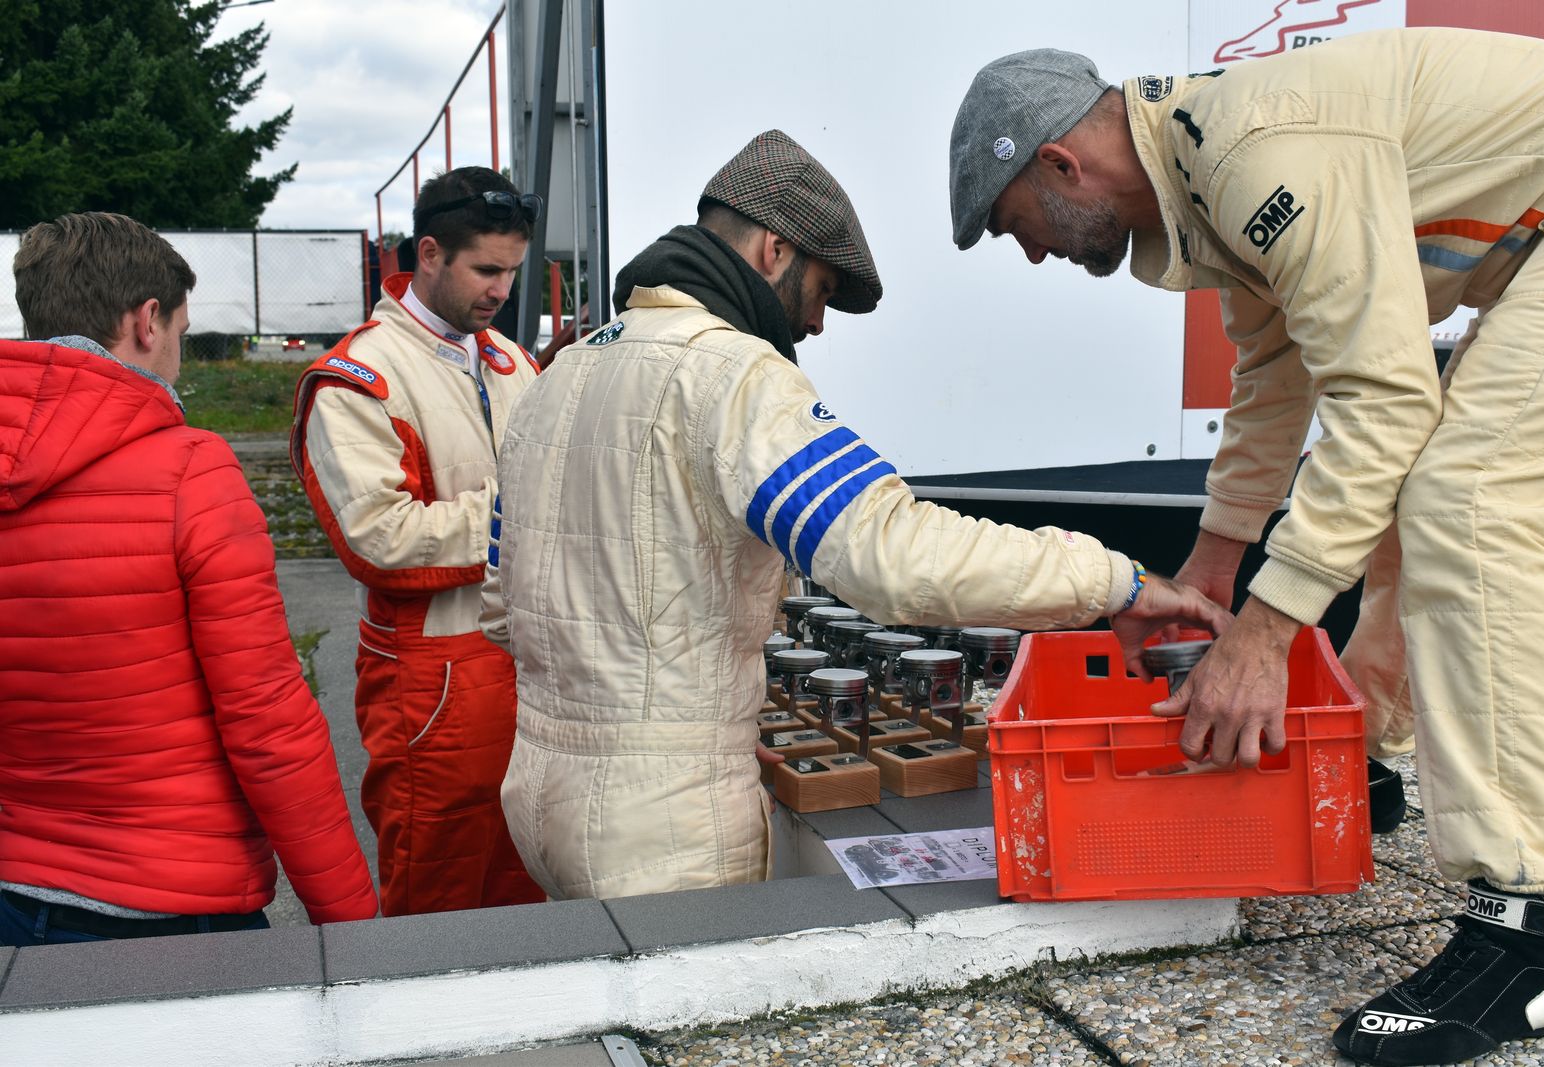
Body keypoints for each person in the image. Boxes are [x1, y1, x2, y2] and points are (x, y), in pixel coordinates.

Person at [948, 29, 1544, 1064]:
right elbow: (1275, 379)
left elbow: (1382, 399)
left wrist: (1263, 635)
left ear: (1060, 164)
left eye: (1014, 224)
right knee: (1414, 498)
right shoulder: (1201, 170)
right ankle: (1360, 766)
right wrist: (1211, 571)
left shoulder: (1256, 152)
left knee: (1468, 501)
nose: (1030, 252)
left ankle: (1527, 939)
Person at [484, 129, 1230, 902]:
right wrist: (1116, 581)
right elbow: (891, 557)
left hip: (539, 798)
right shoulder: (734, 374)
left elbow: (502, 607)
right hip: (662, 827)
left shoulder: (553, 379)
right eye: (821, 290)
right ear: (775, 250)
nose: (816, 324)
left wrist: (655, 704)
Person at [0, 212, 377, 945]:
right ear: (147, 322)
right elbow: (269, 725)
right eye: (181, 330)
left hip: (15, 899)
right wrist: (351, 926)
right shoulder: (190, 472)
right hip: (177, 909)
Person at [290, 167, 545, 916]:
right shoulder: (357, 377)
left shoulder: (513, 363)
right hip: (432, 684)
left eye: (512, 271)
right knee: (436, 900)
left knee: (531, 885)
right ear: (429, 253)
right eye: (487, 270)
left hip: (530, 668)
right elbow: (379, 538)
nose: (502, 290)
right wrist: (531, 514)